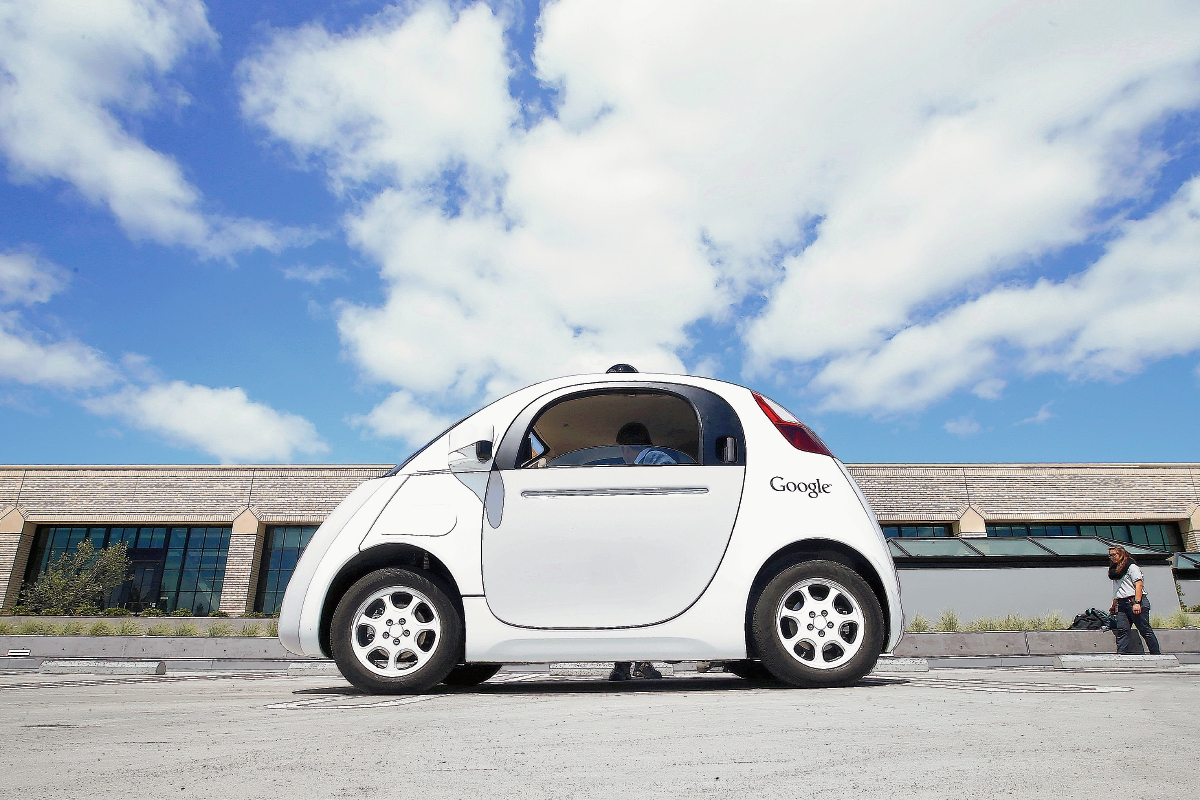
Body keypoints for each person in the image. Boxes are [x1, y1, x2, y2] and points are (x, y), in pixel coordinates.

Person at [608, 422, 673, 682]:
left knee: (629, 602)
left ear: (625, 448)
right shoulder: (658, 460)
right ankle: (635, 664)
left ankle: (625, 664)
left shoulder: (654, 460)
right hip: (645, 544)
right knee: (639, 602)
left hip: (641, 543)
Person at [1108, 545, 1162, 655]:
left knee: (1144, 629)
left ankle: (1156, 654)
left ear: (1121, 554)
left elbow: (1139, 585)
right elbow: (1118, 589)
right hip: (1121, 602)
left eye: (1114, 554)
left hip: (1134, 600)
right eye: (1110, 555)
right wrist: (1114, 604)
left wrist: (1137, 602)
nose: (1112, 557)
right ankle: (1121, 654)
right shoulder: (1115, 570)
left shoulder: (1131, 566)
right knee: (1122, 630)